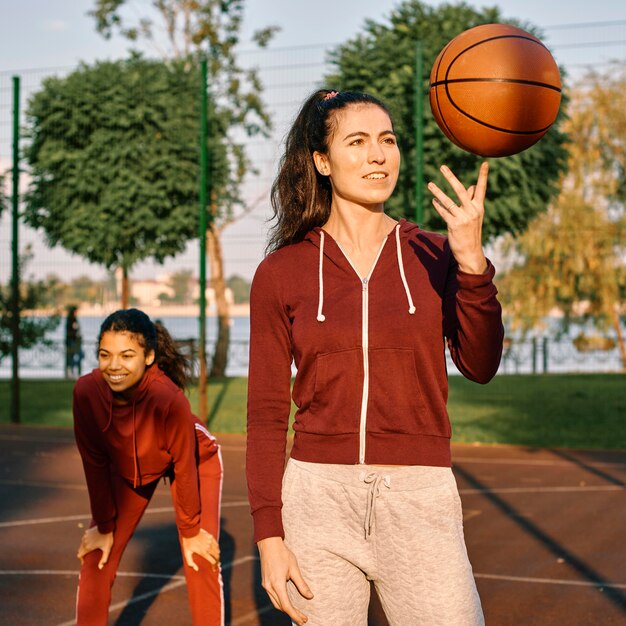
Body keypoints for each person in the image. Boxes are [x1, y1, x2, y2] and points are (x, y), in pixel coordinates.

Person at [246, 90, 504, 626]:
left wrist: (472, 260)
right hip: (317, 500)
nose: (378, 155)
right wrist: (270, 533)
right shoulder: (282, 272)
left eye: (387, 140)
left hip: (419, 495)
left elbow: (481, 364)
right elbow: (267, 412)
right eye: (357, 142)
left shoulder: (435, 253)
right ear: (322, 160)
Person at [73, 308, 223, 625]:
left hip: (196, 459)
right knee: (96, 556)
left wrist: (190, 530)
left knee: (199, 557)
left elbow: (184, 466)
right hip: (131, 468)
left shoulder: (169, 401)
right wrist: (103, 524)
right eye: (105, 354)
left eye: (127, 355)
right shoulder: (86, 393)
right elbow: (94, 461)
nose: (114, 366)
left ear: (149, 356)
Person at [65, 305, 84, 379]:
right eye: (76, 311)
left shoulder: (72, 320)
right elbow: (72, 331)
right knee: (72, 357)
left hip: (74, 341)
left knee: (73, 357)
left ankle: (73, 372)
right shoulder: (71, 320)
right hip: (73, 341)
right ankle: (72, 373)